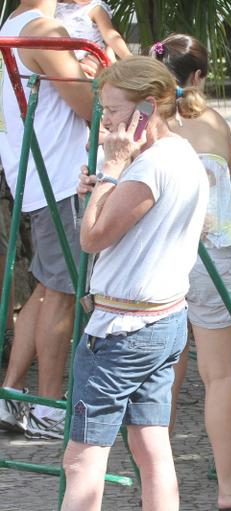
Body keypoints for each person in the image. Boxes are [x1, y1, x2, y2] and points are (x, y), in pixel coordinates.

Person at [60, 56, 208, 511]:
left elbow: (90, 239)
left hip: (123, 329)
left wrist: (110, 172)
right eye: (103, 110)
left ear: (148, 108)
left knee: (81, 460)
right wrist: (108, 185)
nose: (108, 122)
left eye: (116, 111)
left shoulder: (147, 167)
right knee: (151, 447)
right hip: (164, 322)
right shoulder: (182, 154)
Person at [148, 34, 231, 510]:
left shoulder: (144, 124)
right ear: (199, 76)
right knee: (220, 376)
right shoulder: (215, 123)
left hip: (158, 259)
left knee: (165, 373)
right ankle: (230, 489)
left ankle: (154, 485)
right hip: (212, 257)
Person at [0, 0, 93, 439]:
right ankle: (50, 407)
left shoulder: (15, 24)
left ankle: (12, 392)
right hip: (62, 179)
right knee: (64, 292)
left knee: (47, 286)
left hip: (39, 177)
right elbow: (91, 106)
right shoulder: (43, 29)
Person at [55, 0, 131, 64]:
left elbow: (110, 35)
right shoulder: (52, 6)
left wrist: (127, 56)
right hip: (57, 61)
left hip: (89, 59)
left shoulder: (95, 7)